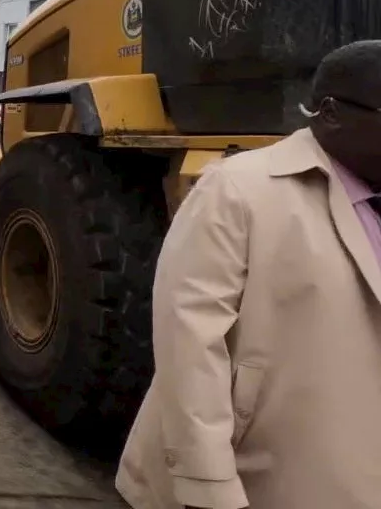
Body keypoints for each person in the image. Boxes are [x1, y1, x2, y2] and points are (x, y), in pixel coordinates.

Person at [116, 40, 381, 509]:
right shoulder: (239, 189)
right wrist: (208, 487)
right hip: (256, 482)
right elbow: (190, 345)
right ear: (332, 114)